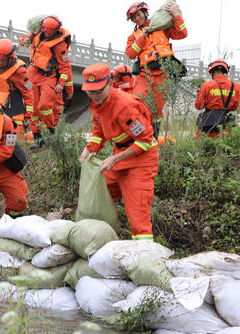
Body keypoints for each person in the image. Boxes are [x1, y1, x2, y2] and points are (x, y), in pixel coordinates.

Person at [78, 63, 158, 241]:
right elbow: (98, 133)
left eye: (98, 91)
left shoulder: (125, 106)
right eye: (90, 92)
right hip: (119, 155)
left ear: (110, 83)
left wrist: (115, 159)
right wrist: (88, 149)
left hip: (141, 161)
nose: (94, 96)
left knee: (138, 217)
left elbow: (145, 141)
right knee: (99, 195)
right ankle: (97, 239)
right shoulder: (98, 105)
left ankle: (144, 258)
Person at [125, 1, 187, 136]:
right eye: (134, 17)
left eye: (138, 15)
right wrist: (141, 38)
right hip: (144, 74)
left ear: (146, 13)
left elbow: (182, 33)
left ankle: (153, 139)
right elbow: (130, 53)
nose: (137, 18)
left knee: (158, 110)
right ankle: (138, 136)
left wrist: (176, 15)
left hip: (162, 72)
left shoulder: (162, 26)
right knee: (137, 102)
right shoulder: (134, 36)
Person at [27, 15, 73, 148]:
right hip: (33, 73)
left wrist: (61, 84)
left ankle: (50, 133)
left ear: (56, 31)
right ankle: (37, 138)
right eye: (44, 29)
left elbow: (65, 67)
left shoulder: (60, 44)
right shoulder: (37, 35)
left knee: (44, 106)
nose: (46, 32)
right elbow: (26, 41)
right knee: (33, 109)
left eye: (49, 30)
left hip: (48, 77)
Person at [195, 59, 239, 139]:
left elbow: (199, 106)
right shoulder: (236, 87)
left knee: (202, 146)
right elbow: (235, 107)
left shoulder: (206, 86)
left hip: (208, 126)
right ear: (225, 71)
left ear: (212, 71)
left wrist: (199, 93)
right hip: (226, 125)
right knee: (226, 147)